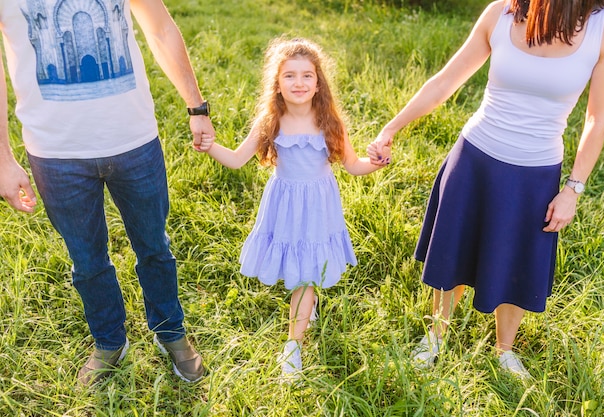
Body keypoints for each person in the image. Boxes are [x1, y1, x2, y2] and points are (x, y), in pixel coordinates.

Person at [368, 0, 604, 378]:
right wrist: (390, 128)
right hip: (475, 157)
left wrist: (573, 188)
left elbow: (597, 117)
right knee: (454, 249)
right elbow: (444, 82)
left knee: (518, 260)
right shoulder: (501, 13)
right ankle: (436, 336)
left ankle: (504, 350)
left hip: (535, 172)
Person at [0, 0, 216, 386]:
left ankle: (170, 331)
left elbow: (160, 28)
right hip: (55, 152)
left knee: (154, 247)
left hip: (134, 140)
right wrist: (2, 158)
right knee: (86, 260)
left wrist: (196, 106)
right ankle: (110, 341)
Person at [196, 37, 390, 378]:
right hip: (285, 205)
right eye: (289, 76)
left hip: (318, 206)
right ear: (277, 83)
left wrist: (377, 163)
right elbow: (237, 159)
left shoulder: (330, 122)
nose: (298, 83)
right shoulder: (271, 121)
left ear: (318, 83)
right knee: (299, 268)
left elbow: (354, 165)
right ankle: (305, 307)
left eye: (306, 76)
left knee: (305, 274)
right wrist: (210, 147)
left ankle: (293, 345)